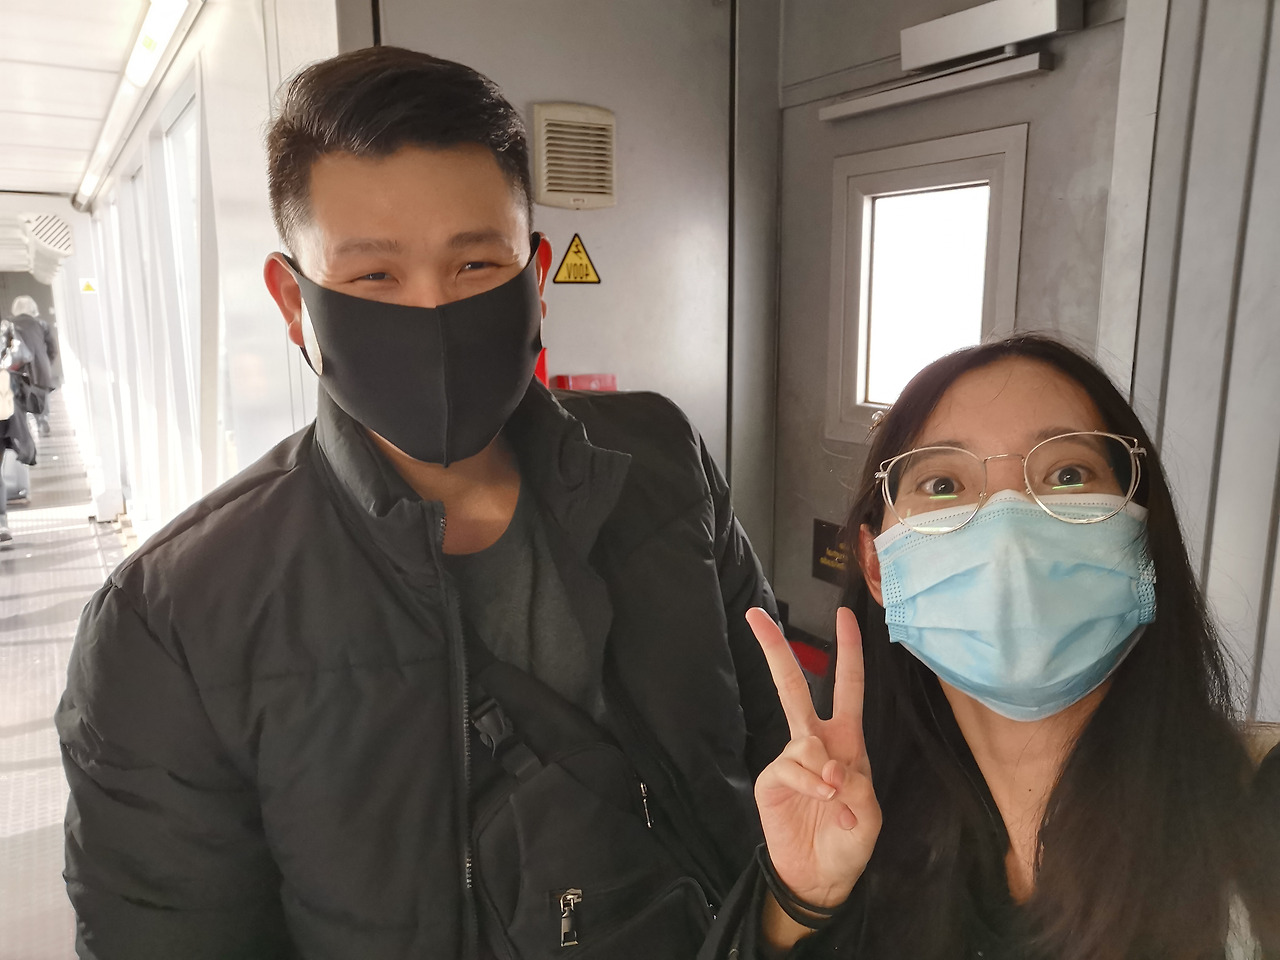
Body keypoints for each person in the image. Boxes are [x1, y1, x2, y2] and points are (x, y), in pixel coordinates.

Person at [56, 46, 788, 960]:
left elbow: (780, 746)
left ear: (536, 276)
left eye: (476, 264)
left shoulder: (661, 462)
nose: (433, 310)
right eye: (374, 277)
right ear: (293, 303)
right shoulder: (171, 621)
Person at [702, 335, 1280, 960]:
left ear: (1141, 530)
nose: (1008, 530)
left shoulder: (1258, 819)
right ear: (876, 566)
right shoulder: (870, 839)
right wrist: (798, 904)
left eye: (1067, 474)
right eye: (942, 484)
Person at [9, 295, 58, 437]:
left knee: (20, 398)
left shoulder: (9, 325)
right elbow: (53, 349)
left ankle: (26, 426)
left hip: (18, 368)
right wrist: (47, 362)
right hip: (41, 368)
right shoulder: (42, 324)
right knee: (41, 396)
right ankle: (42, 420)